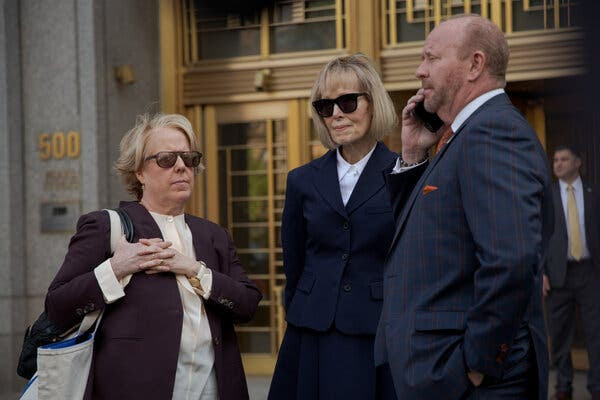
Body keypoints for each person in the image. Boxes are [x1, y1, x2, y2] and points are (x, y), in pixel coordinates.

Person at [374, 14, 554, 400]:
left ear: (475, 64)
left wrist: (476, 365)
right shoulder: (462, 137)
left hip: (477, 383)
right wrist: (412, 156)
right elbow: (426, 238)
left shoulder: (493, 132)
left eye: (431, 58)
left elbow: (512, 261)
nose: (420, 71)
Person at [44, 113, 262, 400]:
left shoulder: (213, 235)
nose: (182, 167)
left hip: (214, 389)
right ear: (139, 172)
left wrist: (196, 270)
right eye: (167, 160)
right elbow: (57, 306)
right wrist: (116, 268)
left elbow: (248, 305)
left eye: (189, 158)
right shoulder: (105, 227)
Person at [268, 53, 398, 400]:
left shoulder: (405, 174)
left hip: (377, 328)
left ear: (373, 104)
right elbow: (293, 262)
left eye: (347, 101)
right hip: (311, 329)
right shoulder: (301, 180)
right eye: (326, 107)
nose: (336, 114)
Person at [544, 145, 600, 400]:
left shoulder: (594, 192)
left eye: (564, 159)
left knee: (596, 332)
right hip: (557, 275)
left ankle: (597, 385)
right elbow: (539, 236)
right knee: (560, 334)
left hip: (590, 272)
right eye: (555, 159)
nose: (558, 163)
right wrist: (542, 273)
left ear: (578, 162)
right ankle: (563, 386)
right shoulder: (548, 195)